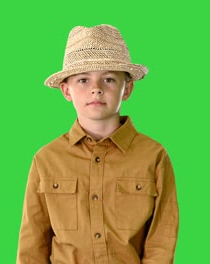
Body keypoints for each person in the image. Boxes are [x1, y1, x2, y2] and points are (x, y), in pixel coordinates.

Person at [16, 24, 179, 263]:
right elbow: (32, 243)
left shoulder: (153, 155)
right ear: (66, 90)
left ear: (127, 89)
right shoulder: (46, 159)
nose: (96, 90)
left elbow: (162, 239)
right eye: (83, 80)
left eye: (109, 79)